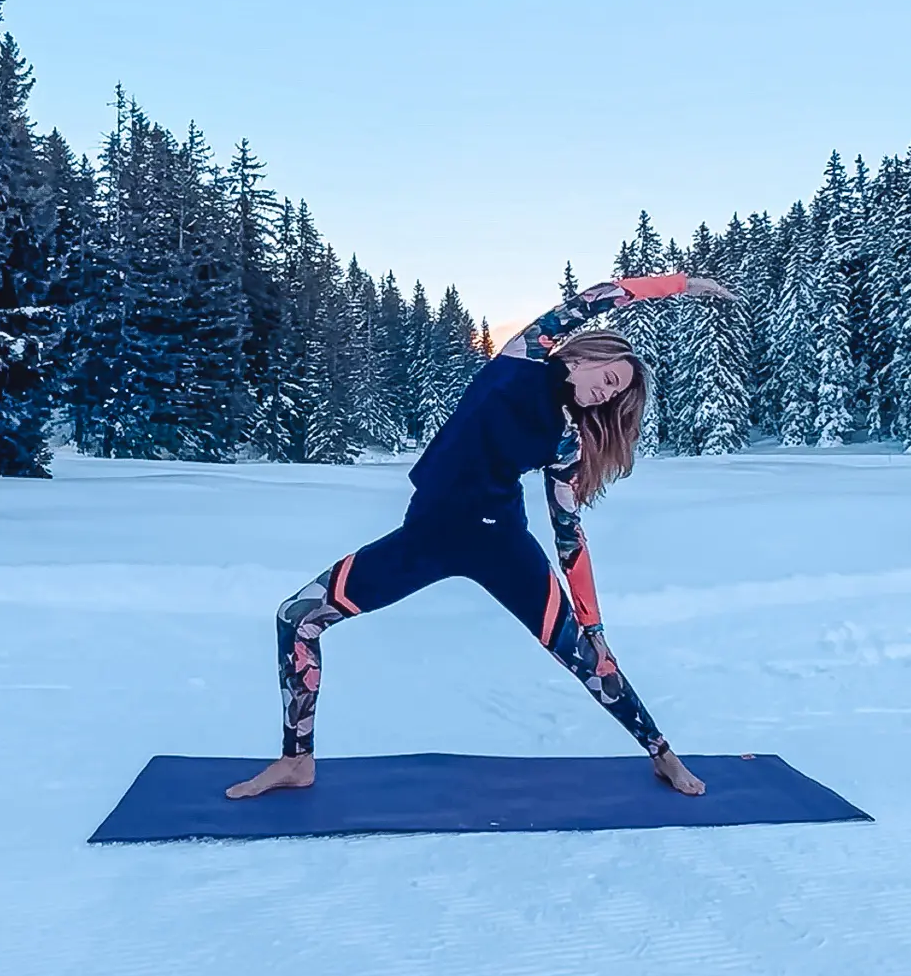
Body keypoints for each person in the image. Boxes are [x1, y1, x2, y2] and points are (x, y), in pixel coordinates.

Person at [227, 271, 735, 801]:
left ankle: (662, 753)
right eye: (610, 380)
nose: (606, 395)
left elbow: (568, 534)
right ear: (584, 356)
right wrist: (682, 284)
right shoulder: (525, 355)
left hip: (500, 544)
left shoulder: (564, 443)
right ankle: (296, 761)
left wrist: (594, 622)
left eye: (615, 397)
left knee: (587, 658)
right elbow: (601, 296)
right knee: (298, 617)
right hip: (425, 536)